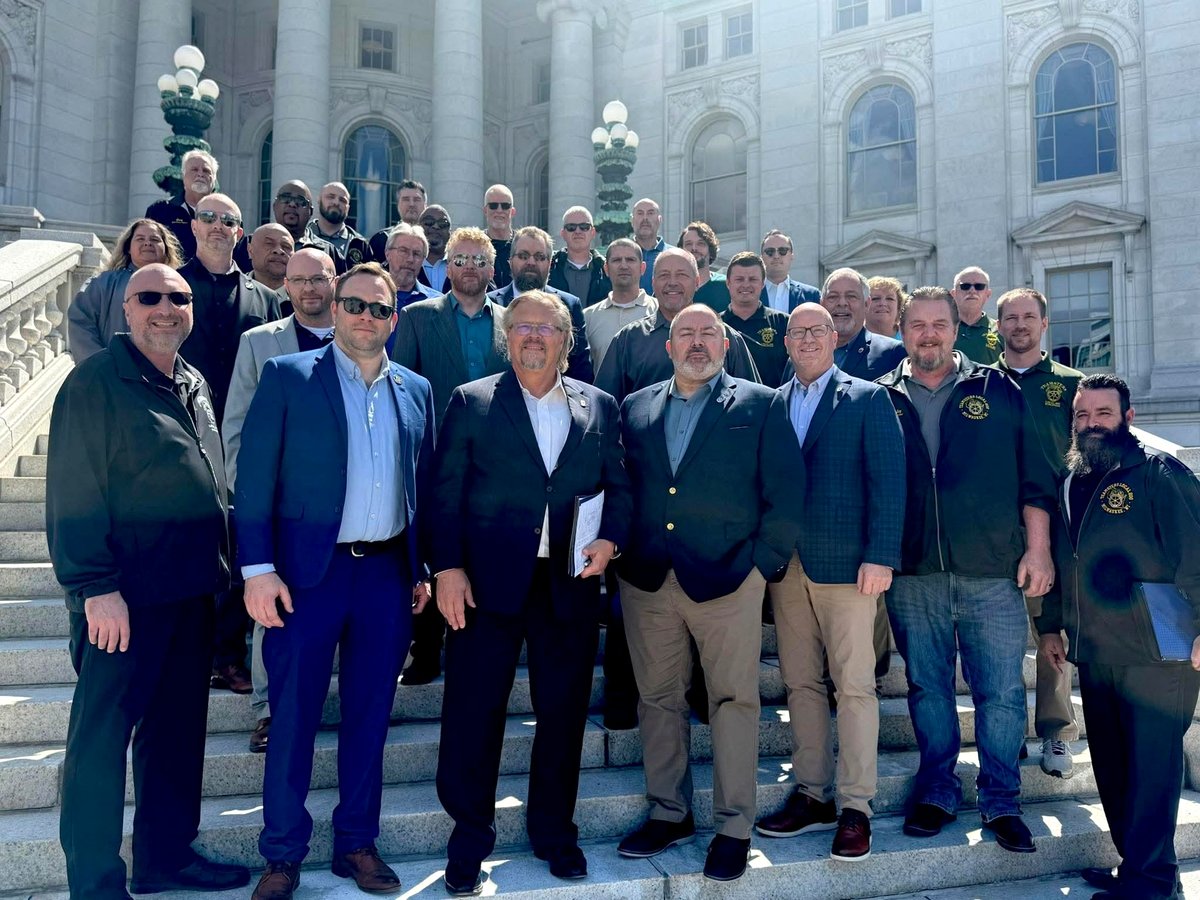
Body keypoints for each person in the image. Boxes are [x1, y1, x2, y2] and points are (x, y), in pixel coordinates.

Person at [47, 262, 249, 899]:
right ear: (125, 309)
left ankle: (164, 857)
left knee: (176, 737)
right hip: (123, 602)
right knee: (102, 745)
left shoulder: (190, 380)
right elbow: (74, 492)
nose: (167, 308)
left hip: (190, 596)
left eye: (180, 298)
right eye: (151, 297)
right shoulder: (96, 383)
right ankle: (96, 883)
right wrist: (95, 587)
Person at [237, 262, 436, 900]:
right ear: (335, 308)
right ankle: (282, 854)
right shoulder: (289, 376)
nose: (366, 317)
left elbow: (421, 488)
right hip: (304, 577)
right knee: (292, 716)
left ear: (394, 318)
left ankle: (355, 842)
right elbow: (253, 481)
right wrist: (258, 570)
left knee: (370, 717)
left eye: (380, 309)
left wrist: (422, 566)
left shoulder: (416, 390)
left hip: (384, 576)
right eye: (355, 305)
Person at [430, 290, 632, 895]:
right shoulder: (472, 401)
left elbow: (619, 487)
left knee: (564, 713)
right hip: (485, 585)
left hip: (566, 584)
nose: (534, 337)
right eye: (522, 327)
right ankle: (469, 838)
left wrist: (612, 543)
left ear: (566, 340)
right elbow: (445, 493)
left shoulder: (599, 406)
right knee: (473, 713)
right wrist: (447, 569)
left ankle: (554, 832)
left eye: (547, 328)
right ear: (507, 337)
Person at [615, 303, 805, 882]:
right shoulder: (635, 406)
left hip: (729, 579)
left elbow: (786, 490)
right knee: (658, 700)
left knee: (734, 701)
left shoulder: (761, 403)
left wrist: (760, 568)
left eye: (707, 334)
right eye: (685, 335)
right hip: (649, 579)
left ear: (725, 345)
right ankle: (669, 812)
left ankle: (733, 825)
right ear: (668, 346)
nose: (696, 344)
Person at [876, 286, 1056, 854]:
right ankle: (937, 789)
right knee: (928, 687)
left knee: (1000, 691)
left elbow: (1035, 477)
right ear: (903, 331)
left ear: (959, 330)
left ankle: (1001, 799)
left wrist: (1038, 549)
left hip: (990, 570)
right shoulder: (882, 396)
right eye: (918, 325)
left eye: (940, 325)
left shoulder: (998, 388)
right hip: (915, 572)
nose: (929, 335)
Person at [1037, 373, 1200, 900]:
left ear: (1128, 419)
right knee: (1112, 768)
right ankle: (1142, 871)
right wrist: (1050, 625)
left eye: (1102, 414)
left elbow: (1195, 553)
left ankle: (1150, 886)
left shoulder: (1158, 472)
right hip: (1096, 650)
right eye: (1082, 416)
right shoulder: (1071, 480)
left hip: (1157, 652)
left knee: (1152, 772)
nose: (1090, 425)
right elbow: (1066, 561)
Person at [754, 303, 906, 862]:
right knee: (800, 685)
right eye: (799, 333)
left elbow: (890, 482)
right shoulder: (773, 401)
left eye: (819, 330)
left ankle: (856, 807)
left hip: (849, 569)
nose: (809, 340)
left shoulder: (867, 398)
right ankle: (813, 793)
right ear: (788, 343)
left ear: (833, 339)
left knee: (856, 687)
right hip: (787, 568)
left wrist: (881, 556)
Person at [222, 248, 338, 755]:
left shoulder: (363, 331)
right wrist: (250, 502)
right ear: (284, 287)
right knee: (272, 612)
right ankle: (268, 710)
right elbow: (236, 431)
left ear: (335, 281)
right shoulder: (258, 344)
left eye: (318, 279)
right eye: (299, 281)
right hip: (281, 511)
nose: (309, 289)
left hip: (348, 512)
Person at [393, 228, 510, 686]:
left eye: (479, 261)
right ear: (447, 265)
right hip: (435, 453)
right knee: (432, 548)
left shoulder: (509, 320)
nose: (469, 268)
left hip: (496, 460)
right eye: (461, 259)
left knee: (480, 548)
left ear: (492, 270)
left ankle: (479, 632)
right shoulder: (419, 317)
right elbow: (401, 385)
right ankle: (424, 650)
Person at [996, 287, 1083, 779]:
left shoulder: (1071, 384)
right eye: (1011, 318)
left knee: (1053, 632)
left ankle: (1055, 733)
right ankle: (1007, 730)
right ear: (999, 326)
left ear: (1045, 325)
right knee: (1002, 638)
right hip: (996, 526)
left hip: (1059, 527)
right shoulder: (981, 383)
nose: (1020, 325)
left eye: (1029, 317)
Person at [596, 248, 759, 404]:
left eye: (681, 275)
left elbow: (752, 400)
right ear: (653, 283)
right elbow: (605, 408)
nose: (672, 282)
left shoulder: (726, 337)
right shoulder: (629, 340)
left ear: (697, 282)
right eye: (664, 275)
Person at [488, 225, 594, 383]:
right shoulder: (490, 303)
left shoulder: (570, 305)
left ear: (550, 263)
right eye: (523, 256)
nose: (531, 262)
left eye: (539, 257)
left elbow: (581, 371)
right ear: (510, 261)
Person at [68, 217, 183, 361]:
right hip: (112, 373)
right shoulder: (103, 283)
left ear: (166, 249)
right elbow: (80, 321)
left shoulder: (181, 287)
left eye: (155, 239)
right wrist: (99, 365)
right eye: (140, 239)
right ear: (128, 247)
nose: (148, 243)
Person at [583, 238, 656, 374]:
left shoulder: (659, 311)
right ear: (606, 268)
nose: (623, 266)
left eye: (630, 260)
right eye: (616, 260)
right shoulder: (588, 317)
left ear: (643, 268)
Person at [719, 251, 791, 387]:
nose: (746, 285)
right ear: (728, 283)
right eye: (739, 279)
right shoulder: (714, 326)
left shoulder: (784, 323)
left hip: (772, 405)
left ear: (763, 283)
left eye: (753, 279)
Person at [822, 267, 906, 381]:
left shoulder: (893, 353)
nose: (842, 303)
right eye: (833, 297)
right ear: (821, 304)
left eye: (851, 296)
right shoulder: (802, 353)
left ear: (866, 304)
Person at [233, 180, 335, 274]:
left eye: (300, 201)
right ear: (274, 206)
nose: (292, 204)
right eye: (285, 198)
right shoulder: (249, 244)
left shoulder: (328, 251)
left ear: (310, 212)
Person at [145, 148, 217, 261]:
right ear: (183, 176)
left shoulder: (227, 215)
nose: (200, 174)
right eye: (194, 169)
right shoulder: (160, 211)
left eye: (206, 171)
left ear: (214, 179)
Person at [548, 206, 611, 307]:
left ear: (593, 232)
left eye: (584, 227)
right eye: (571, 227)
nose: (578, 231)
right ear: (563, 233)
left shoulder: (607, 270)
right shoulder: (549, 267)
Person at [303, 182, 372, 272]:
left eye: (342, 200)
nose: (336, 202)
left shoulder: (360, 244)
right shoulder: (303, 237)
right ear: (319, 200)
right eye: (331, 197)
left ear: (348, 208)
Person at [383, 222, 440, 312]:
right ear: (387, 254)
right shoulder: (370, 295)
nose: (410, 259)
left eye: (417, 254)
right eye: (403, 251)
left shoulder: (437, 303)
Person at [952, 266, 1003, 364]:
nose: (972, 290)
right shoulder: (941, 329)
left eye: (979, 286)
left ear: (988, 294)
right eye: (965, 286)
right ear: (954, 294)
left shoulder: (1001, 330)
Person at [760, 229, 820, 313]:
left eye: (782, 251)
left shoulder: (812, 295)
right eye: (770, 251)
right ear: (762, 257)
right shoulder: (750, 294)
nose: (776, 256)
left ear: (792, 255)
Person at [367, 179, 427, 261]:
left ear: (425, 205)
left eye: (416, 200)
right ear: (398, 205)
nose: (411, 204)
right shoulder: (381, 239)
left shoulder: (434, 240)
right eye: (406, 199)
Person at [679, 221, 730, 313]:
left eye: (700, 244)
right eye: (688, 244)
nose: (694, 248)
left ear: (711, 251)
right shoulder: (671, 287)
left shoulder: (727, 286)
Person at [483, 183, 516, 289]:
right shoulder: (476, 244)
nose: (499, 210)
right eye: (493, 206)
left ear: (512, 211)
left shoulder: (521, 244)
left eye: (505, 206)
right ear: (485, 210)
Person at [245, 223, 294, 292]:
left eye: (286, 246)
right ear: (250, 250)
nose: (279, 251)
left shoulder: (306, 295)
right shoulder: (232, 291)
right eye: (269, 244)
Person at [631, 198, 666, 295]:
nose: (645, 218)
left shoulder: (674, 255)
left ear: (659, 220)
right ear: (632, 220)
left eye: (650, 213)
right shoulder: (621, 256)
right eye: (640, 213)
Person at [418, 205, 453, 293]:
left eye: (443, 223)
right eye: (429, 222)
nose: (436, 226)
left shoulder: (461, 265)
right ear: (418, 228)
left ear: (450, 232)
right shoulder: (406, 263)